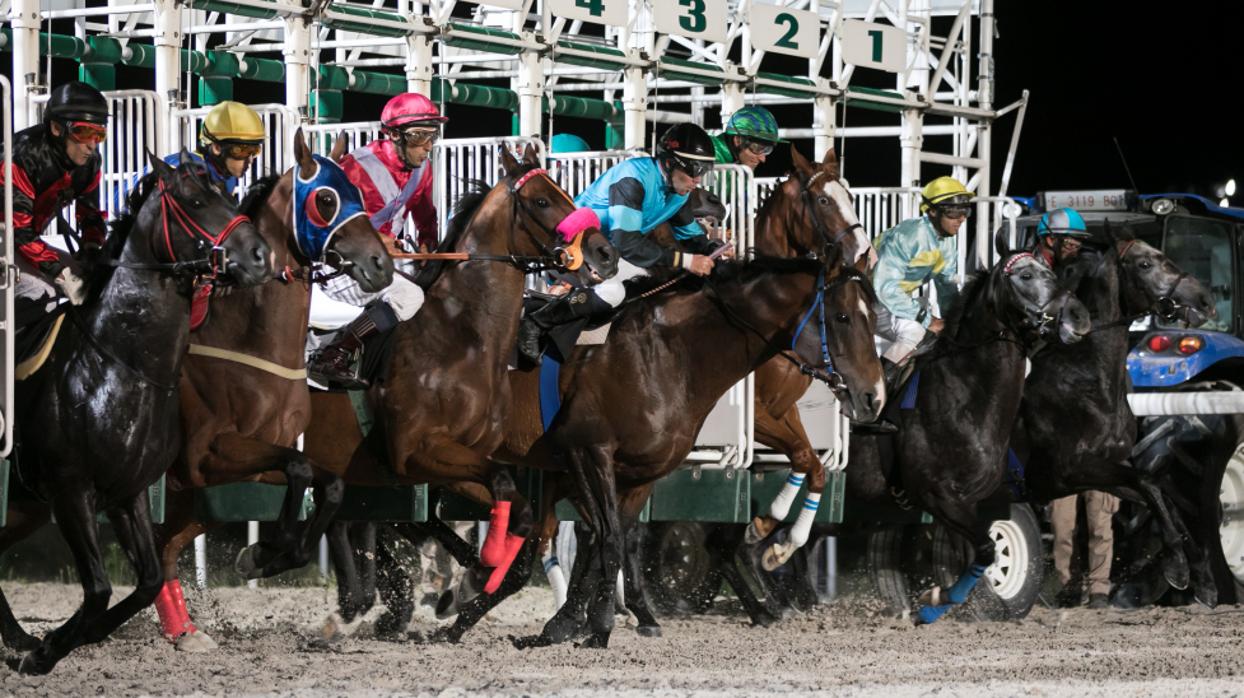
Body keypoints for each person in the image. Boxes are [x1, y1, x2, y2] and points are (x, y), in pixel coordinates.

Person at [516, 122, 729, 363]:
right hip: (572, 247)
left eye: (704, 171)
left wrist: (712, 249)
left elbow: (691, 236)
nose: (698, 180)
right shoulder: (633, 177)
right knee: (613, 291)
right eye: (694, 170)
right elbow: (626, 242)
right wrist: (688, 261)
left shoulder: (679, 192)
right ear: (670, 163)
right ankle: (536, 322)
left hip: (607, 252)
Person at [306, 92, 445, 388]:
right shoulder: (354, 168)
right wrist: (380, 241)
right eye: (420, 136)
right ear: (394, 134)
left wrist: (427, 245)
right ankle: (333, 353)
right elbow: (332, 226)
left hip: (381, 264)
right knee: (410, 297)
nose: (428, 146)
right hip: (340, 267)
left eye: (433, 135)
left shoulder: (423, 171)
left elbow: (425, 215)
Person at [1031, 206, 1117, 610]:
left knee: (1100, 515)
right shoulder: (1033, 272)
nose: (1077, 247)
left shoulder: (1082, 276)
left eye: (1080, 242)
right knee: (1063, 522)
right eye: (1071, 240)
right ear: (1050, 238)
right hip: (1061, 426)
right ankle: (1067, 585)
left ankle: (1099, 588)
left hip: (1093, 426)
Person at [1, 81, 110, 313]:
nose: (91, 146)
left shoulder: (90, 163)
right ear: (57, 129)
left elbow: (90, 213)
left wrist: (91, 248)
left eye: (98, 134)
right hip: (8, 240)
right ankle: (12, 350)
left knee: (94, 282)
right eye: (83, 132)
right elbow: (18, 232)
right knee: (42, 293)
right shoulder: (21, 158)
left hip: (15, 243)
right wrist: (59, 273)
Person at [871, 175, 973, 366]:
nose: (961, 218)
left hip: (890, 301)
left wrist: (956, 323)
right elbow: (886, 288)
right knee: (916, 331)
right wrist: (929, 320)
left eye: (965, 210)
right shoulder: (908, 235)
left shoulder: (947, 241)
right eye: (953, 211)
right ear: (933, 211)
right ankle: (881, 385)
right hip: (865, 300)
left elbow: (947, 290)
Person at [169, 101, 266, 199]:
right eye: (242, 151)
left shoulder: (228, 177)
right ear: (217, 148)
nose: (250, 160)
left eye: (254, 151)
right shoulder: (180, 170)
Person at [711, 105, 785, 171]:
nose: (763, 159)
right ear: (738, 140)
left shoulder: (740, 164)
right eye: (757, 148)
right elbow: (706, 185)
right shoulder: (710, 155)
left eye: (767, 150)